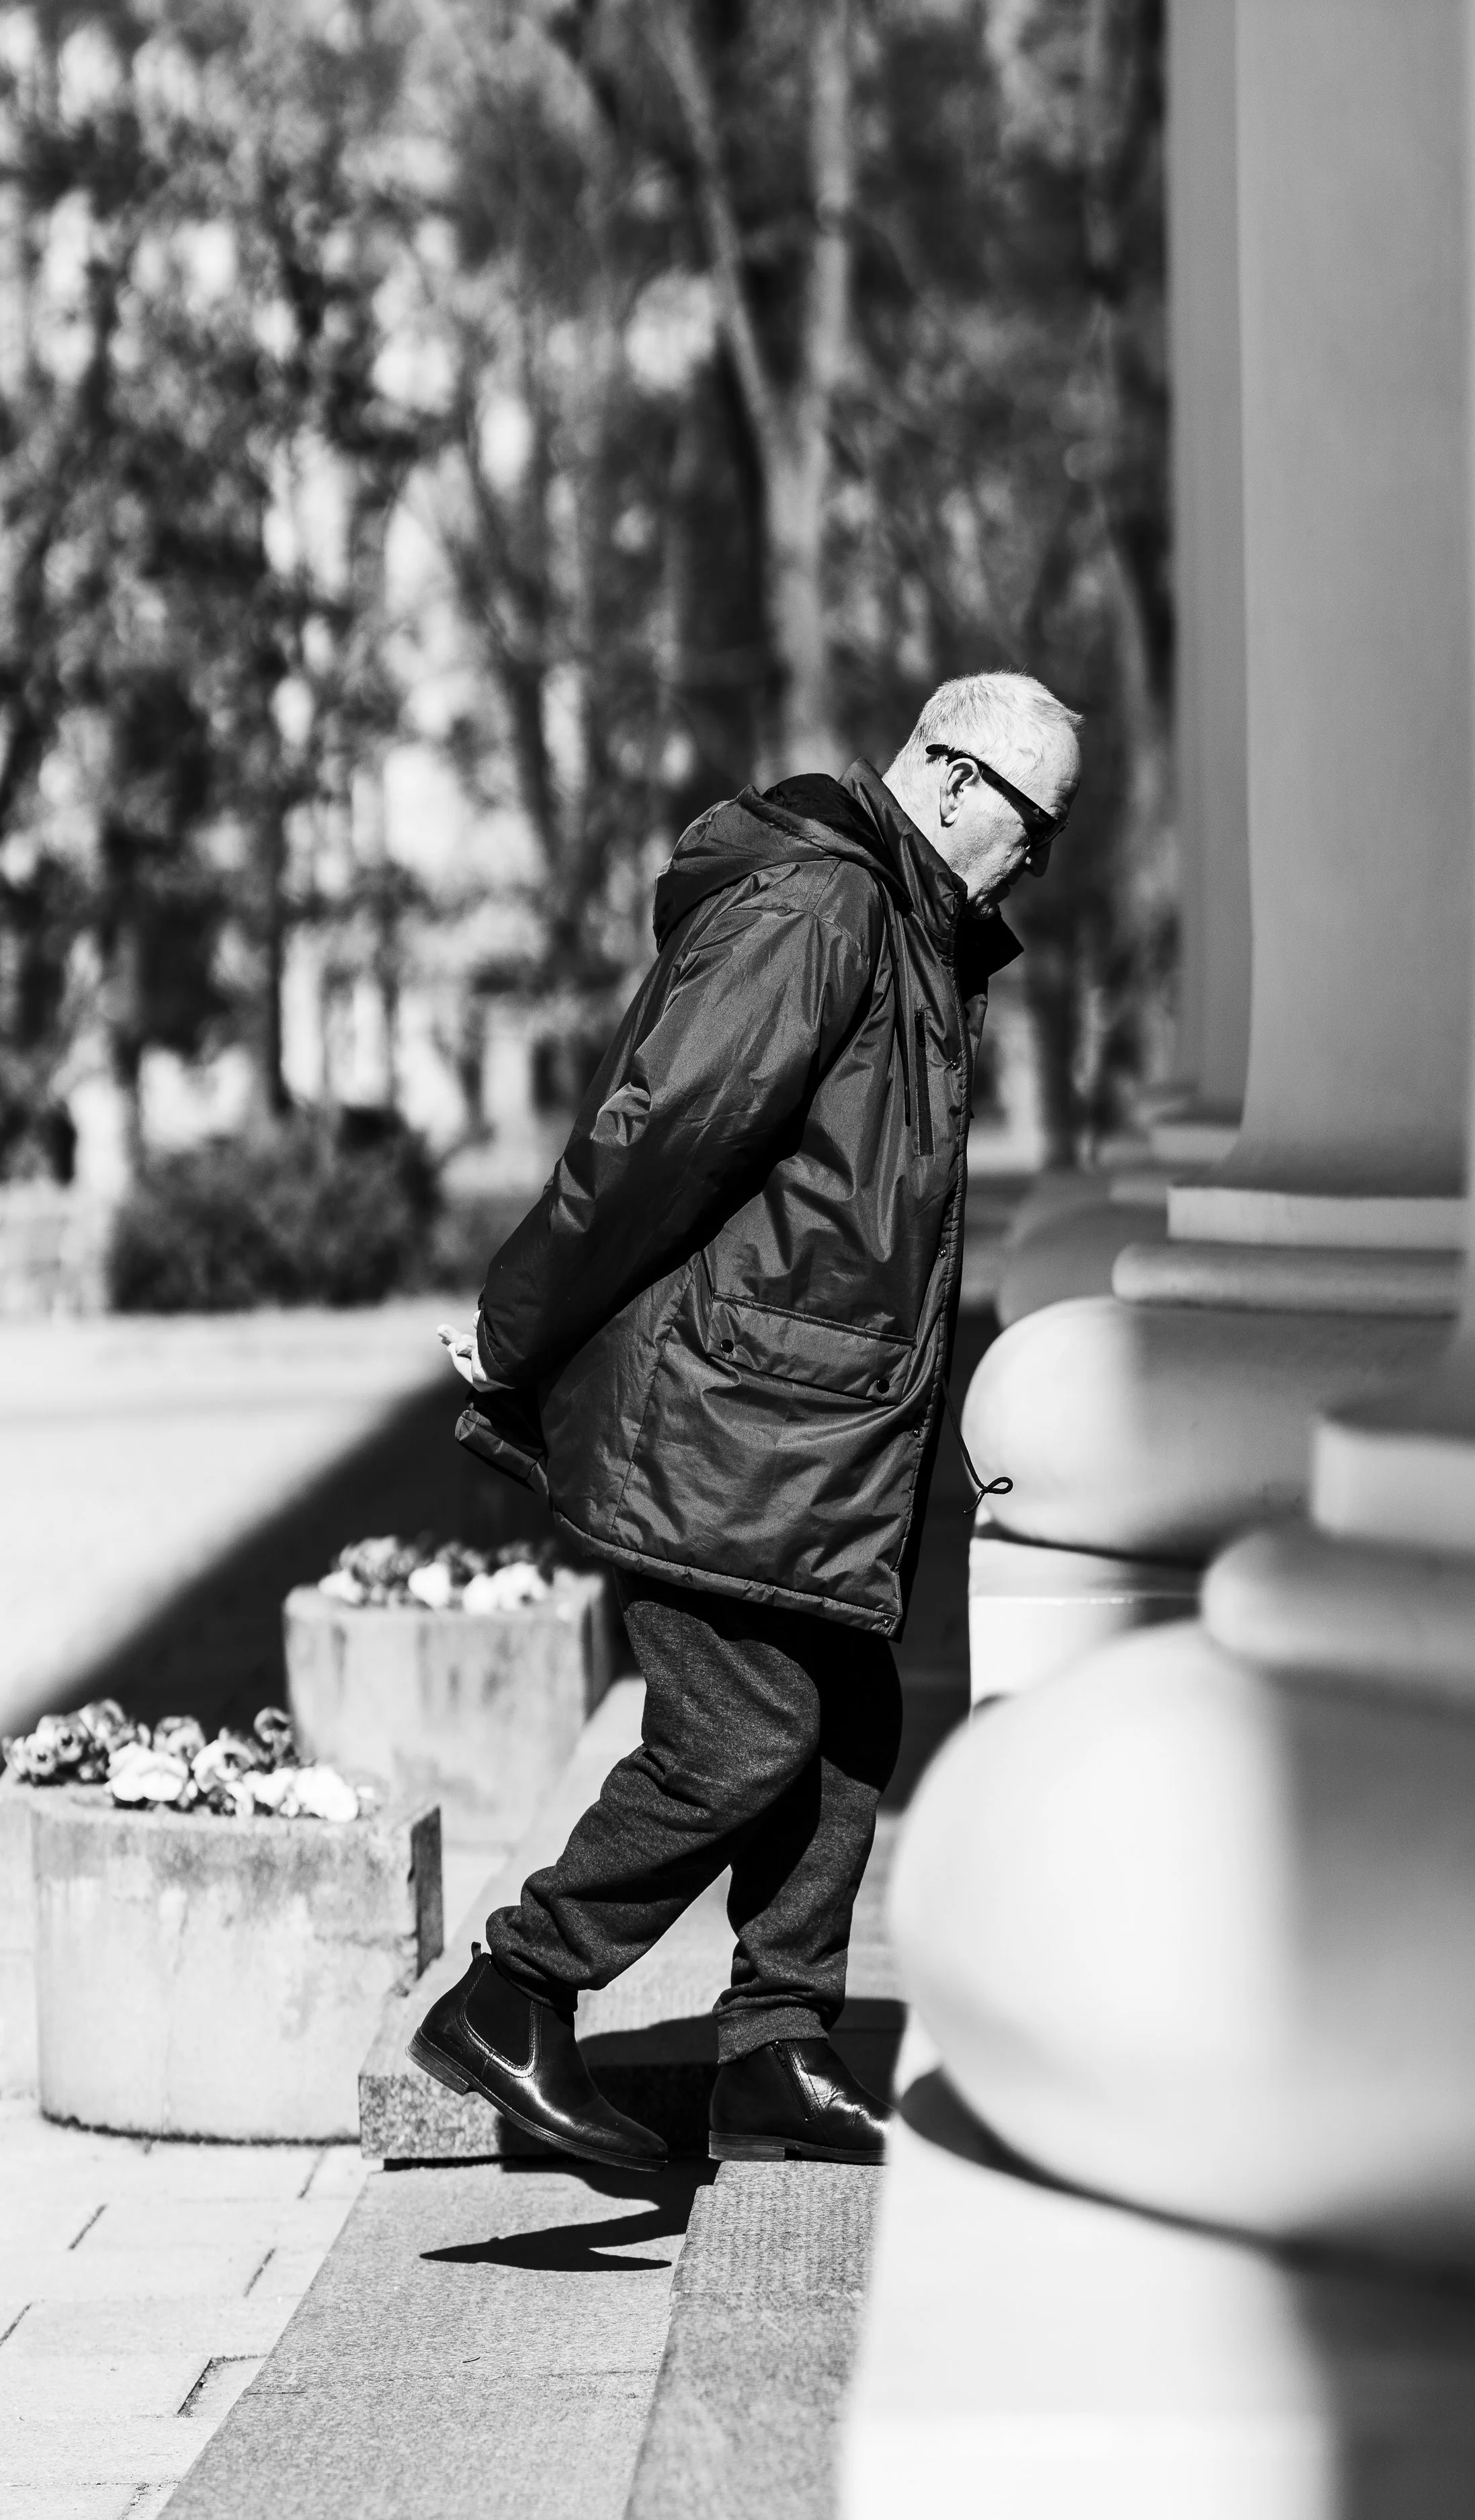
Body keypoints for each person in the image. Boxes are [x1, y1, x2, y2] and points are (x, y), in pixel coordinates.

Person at [412, 672, 1082, 2169]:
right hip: (725, 1416)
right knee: (740, 1736)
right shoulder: (823, 911)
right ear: (955, 781)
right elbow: (655, 1141)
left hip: (805, 1424)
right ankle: (516, 1992)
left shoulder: (904, 927)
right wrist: (519, 1330)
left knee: (848, 1719)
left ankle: (775, 2049)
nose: (1033, 867)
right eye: (1033, 830)